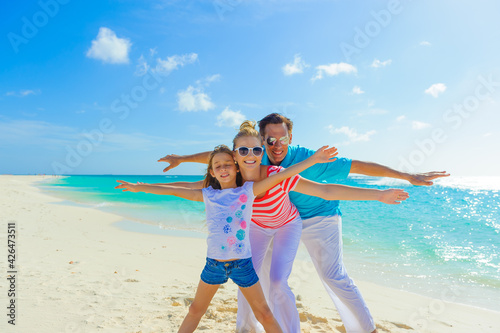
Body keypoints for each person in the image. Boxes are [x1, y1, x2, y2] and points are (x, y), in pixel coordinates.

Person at [158, 114, 449, 333]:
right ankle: (246, 328)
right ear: (257, 142)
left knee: (323, 276)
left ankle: (364, 329)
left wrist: (396, 184)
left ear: (290, 138)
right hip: (263, 224)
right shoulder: (243, 162)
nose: (275, 145)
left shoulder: (300, 162)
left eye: (281, 139)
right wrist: (181, 159)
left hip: (312, 218)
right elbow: (217, 159)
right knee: (251, 274)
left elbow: (337, 182)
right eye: (268, 141)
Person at [115, 143, 339, 333]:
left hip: (242, 264)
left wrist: (315, 159)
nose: (223, 169)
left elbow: (284, 175)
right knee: (195, 310)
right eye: (217, 166)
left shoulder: (248, 191)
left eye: (227, 164)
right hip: (213, 265)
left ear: (236, 168)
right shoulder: (207, 195)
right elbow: (174, 189)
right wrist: (142, 188)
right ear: (212, 172)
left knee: (264, 314)